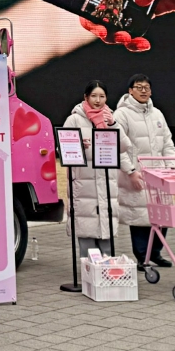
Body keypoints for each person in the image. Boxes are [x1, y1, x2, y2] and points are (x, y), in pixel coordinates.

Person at [63, 81, 133, 260]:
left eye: (102, 96)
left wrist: (114, 124)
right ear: (86, 97)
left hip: (107, 184)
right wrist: (78, 145)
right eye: (94, 96)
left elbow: (124, 146)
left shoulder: (110, 118)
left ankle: (107, 270)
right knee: (86, 230)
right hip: (84, 186)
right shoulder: (75, 119)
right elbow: (62, 149)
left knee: (106, 230)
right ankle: (88, 270)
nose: (98, 100)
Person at [112, 73, 175, 266]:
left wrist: (172, 167)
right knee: (140, 215)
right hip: (137, 173)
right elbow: (118, 147)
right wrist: (131, 172)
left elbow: (168, 142)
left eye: (146, 87)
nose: (143, 91)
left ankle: (155, 253)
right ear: (130, 91)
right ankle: (142, 257)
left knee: (162, 215)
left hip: (160, 174)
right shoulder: (121, 115)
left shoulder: (157, 114)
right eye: (139, 87)